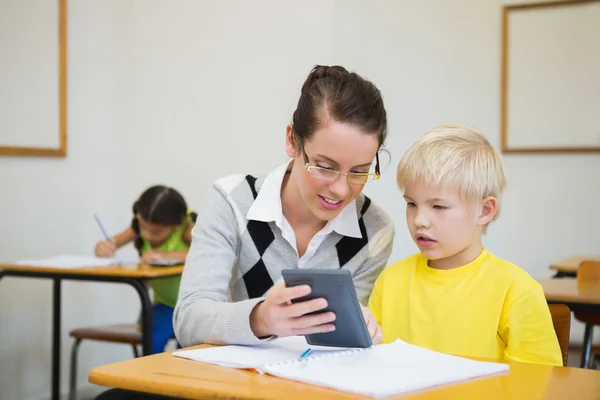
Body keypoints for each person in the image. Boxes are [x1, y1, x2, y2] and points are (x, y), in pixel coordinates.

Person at [174, 65, 395, 346]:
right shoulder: (232, 201)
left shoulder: (374, 230)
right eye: (325, 167)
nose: (341, 188)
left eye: (360, 171)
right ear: (293, 141)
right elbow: (188, 320)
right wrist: (260, 318)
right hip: (229, 386)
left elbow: (339, 341)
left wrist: (360, 326)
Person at [367, 124, 562, 365]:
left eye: (438, 206)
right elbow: (370, 364)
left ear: (484, 210)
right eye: (411, 204)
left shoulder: (516, 291)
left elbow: (540, 385)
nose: (419, 220)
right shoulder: (390, 282)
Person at [95, 185, 197, 354]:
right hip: (163, 305)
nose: (147, 235)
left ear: (174, 226)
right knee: (152, 338)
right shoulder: (139, 224)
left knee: (189, 348)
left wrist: (165, 256)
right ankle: (150, 379)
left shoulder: (187, 227)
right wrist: (102, 248)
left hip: (193, 306)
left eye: (155, 232)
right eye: (144, 228)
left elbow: (206, 252)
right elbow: (111, 243)